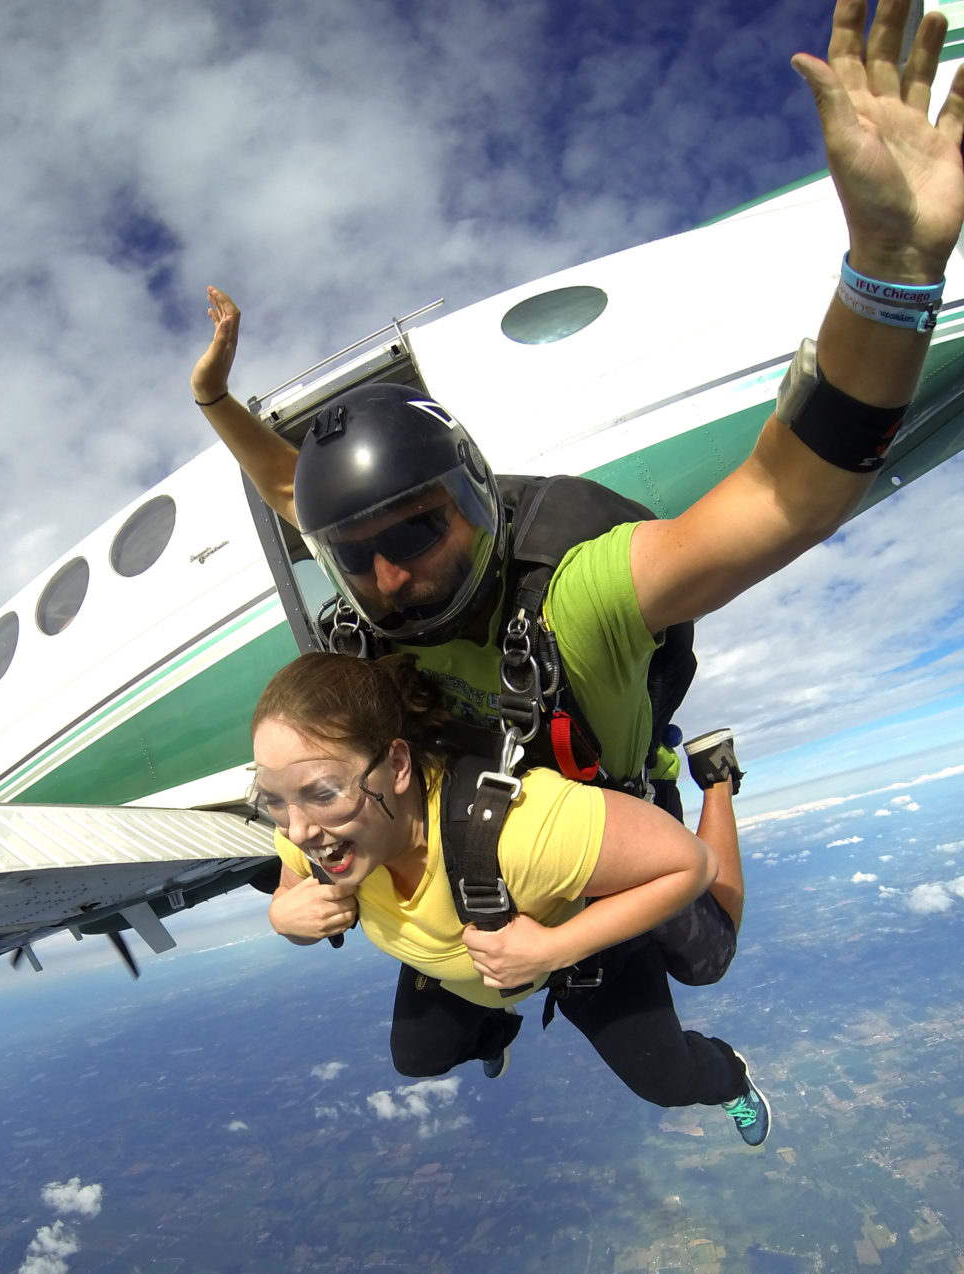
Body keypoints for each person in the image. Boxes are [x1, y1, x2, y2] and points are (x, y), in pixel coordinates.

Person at [199, 0, 964, 1141]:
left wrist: (893, 272)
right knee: (427, 1047)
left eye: (422, 532)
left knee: (697, 972)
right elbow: (296, 501)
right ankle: (502, 1000)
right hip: (461, 859)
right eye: (361, 560)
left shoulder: (580, 593)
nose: (396, 579)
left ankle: (714, 782)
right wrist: (218, 405)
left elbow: (784, 496)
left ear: (477, 501)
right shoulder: (364, 641)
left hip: (598, 814)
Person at [251, 651, 770, 1143]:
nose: (298, 831)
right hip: (478, 965)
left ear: (399, 766)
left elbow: (693, 865)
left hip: (586, 954)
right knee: (418, 1056)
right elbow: (292, 879)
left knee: (677, 1056)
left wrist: (555, 949)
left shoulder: (521, 831)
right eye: (274, 800)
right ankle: (497, 1021)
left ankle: (715, 775)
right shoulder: (317, 834)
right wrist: (283, 913)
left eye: (323, 793)